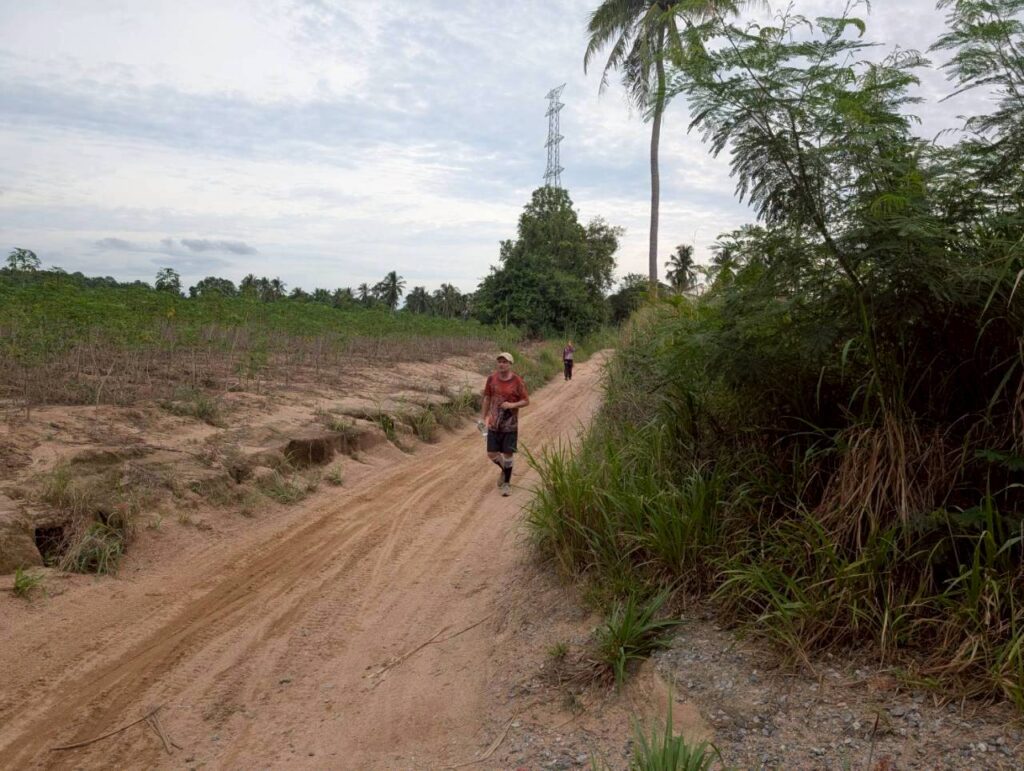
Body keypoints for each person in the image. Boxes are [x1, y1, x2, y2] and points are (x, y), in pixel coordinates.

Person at [481, 352, 530, 497]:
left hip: (510, 425)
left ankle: (507, 484)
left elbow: (526, 401)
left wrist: (512, 405)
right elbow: (487, 398)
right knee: (491, 453)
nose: (501, 364)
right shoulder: (491, 379)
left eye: (505, 362)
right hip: (494, 423)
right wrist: (483, 418)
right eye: (500, 361)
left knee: (508, 454)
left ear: (510, 364)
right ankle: (505, 470)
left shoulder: (517, 381)